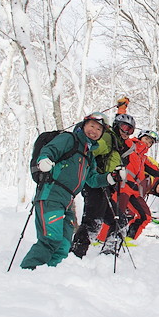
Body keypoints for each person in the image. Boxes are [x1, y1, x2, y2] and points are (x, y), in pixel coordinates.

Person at [21, 113, 125, 269]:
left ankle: (48, 274)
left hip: (68, 201)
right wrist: (44, 159)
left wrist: (111, 178)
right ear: (83, 126)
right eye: (91, 126)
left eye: (98, 129)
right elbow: (51, 150)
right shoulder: (69, 139)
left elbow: (93, 179)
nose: (94, 131)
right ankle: (26, 271)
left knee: (63, 245)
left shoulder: (89, 155)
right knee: (51, 239)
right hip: (51, 195)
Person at [70, 112, 128, 258]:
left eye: (130, 130)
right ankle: (76, 254)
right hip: (96, 183)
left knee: (120, 220)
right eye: (124, 128)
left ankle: (109, 251)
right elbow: (92, 148)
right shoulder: (107, 137)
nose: (126, 132)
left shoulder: (115, 140)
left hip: (105, 184)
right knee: (93, 221)